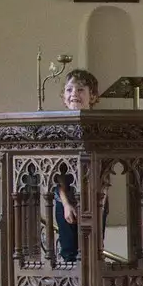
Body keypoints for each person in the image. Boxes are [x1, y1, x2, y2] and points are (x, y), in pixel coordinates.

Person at [55, 70, 100, 263]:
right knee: (69, 253)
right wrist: (66, 204)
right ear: (64, 98)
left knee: (94, 252)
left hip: (95, 199)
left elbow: (104, 169)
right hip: (65, 199)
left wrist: (102, 201)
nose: (74, 93)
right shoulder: (57, 129)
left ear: (93, 96)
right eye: (69, 89)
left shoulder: (100, 127)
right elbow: (56, 174)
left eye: (81, 89)